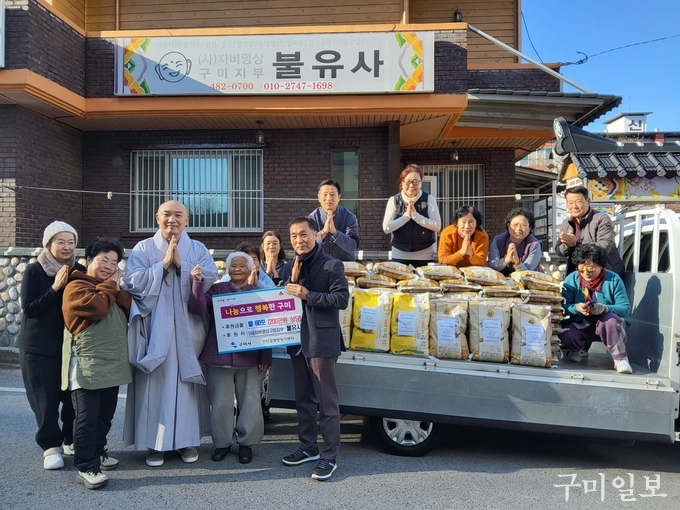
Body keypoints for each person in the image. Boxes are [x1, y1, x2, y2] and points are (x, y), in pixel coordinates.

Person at [123, 200, 218, 467]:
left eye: (178, 215)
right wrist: (163, 265)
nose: (172, 220)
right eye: (166, 214)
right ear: (157, 217)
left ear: (187, 220)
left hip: (189, 329)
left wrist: (183, 266)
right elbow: (131, 281)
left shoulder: (197, 249)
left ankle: (187, 441)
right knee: (153, 384)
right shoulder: (143, 248)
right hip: (154, 329)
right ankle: (154, 444)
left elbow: (210, 278)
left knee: (187, 387)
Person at [279, 217, 349, 481]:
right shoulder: (290, 266)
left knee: (327, 403)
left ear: (315, 235)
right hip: (296, 340)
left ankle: (329, 456)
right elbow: (281, 298)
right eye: (294, 236)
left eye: (303, 234)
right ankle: (308, 447)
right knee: (303, 400)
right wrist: (290, 280)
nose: (299, 240)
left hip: (321, 340)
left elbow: (341, 299)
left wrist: (307, 294)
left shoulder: (332, 264)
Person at [188, 252, 272, 464]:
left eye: (242, 266)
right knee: (220, 404)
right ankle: (222, 443)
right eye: (233, 265)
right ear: (227, 269)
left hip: (250, 358)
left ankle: (246, 444)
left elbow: (266, 328)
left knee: (251, 403)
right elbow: (198, 308)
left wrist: (266, 356)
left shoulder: (257, 294)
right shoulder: (217, 289)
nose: (237, 269)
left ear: (250, 269)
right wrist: (197, 283)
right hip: (218, 357)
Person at [61, 239, 132, 489]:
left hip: (112, 361)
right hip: (86, 364)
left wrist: (116, 288)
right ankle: (86, 466)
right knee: (87, 418)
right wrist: (112, 285)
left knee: (104, 415)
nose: (109, 266)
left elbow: (128, 306)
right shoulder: (76, 286)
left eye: (114, 262)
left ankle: (99, 451)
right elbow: (99, 308)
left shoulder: (108, 287)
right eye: (104, 260)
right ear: (89, 260)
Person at [19, 221, 85, 470]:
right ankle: (50, 446)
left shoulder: (79, 270)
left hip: (71, 345)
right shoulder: (34, 271)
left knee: (73, 397)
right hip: (38, 347)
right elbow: (30, 309)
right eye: (60, 242)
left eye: (71, 242)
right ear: (48, 244)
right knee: (45, 400)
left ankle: (71, 439)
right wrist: (56, 287)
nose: (67, 247)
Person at [559, 244, 632, 374]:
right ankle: (577, 350)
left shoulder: (614, 279)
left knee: (611, 321)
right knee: (566, 333)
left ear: (601, 265)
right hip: (580, 324)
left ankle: (620, 358)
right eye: (581, 270)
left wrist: (605, 308)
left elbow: (624, 308)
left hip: (605, 324)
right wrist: (576, 308)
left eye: (591, 269)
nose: (586, 273)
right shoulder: (571, 279)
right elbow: (562, 306)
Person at [555, 186, 624, 276]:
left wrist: (576, 243)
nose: (574, 206)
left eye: (578, 202)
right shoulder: (566, 223)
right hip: (578, 274)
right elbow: (558, 250)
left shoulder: (602, 219)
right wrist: (567, 246)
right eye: (570, 203)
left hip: (605, 275)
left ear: (588, 201)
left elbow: (603, 248)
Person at [382, 164, 441, 267]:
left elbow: (437, 226)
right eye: (408, 182)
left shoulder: (429, 199)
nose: (411, 185)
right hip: (399, 254)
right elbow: (386, 228)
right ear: (401, 184)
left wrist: (415, 216)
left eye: (416, 181)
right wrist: (406, 216)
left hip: (424, 255)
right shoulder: (393, 200)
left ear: (421, 183)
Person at [309, 179, 360, 261]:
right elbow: (308, 245)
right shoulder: (312, 218)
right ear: (319, 198)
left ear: (339, 197)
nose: (329, 198)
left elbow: (352, 246)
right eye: (325, 194)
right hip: (320, 264)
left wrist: (335, 233)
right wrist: (323, 232)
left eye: (332, 194)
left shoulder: (349, 217)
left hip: (345, 264)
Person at [488, 207, 542, 275]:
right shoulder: (498, 241)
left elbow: (529, 271)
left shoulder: (534, 244)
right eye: (515, 225)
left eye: (523, 225)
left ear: (530, 228)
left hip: (529, 281)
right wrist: (505, 260)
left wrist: (517, 263)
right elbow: (491, 265)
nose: (518, 228)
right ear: (508, 226)